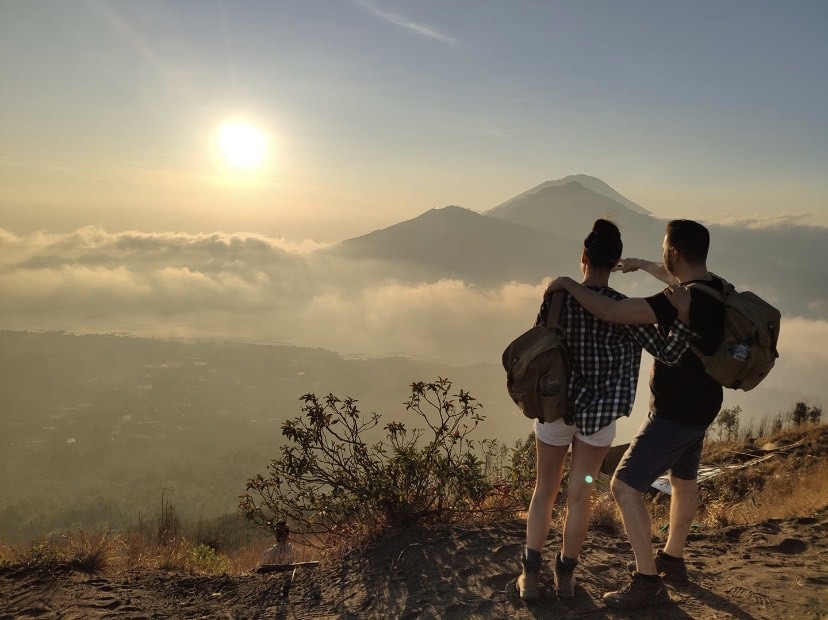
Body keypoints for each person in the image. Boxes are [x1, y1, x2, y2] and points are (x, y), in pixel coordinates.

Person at [547, 219, 725, 611]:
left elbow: (611, 310)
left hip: (673, 413)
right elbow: (678, 283)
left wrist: (568, 284)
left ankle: (648, 580)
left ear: (674, 252)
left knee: (624, 488)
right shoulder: (714, 288)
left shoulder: (672, 301)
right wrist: (646, 266)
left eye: (664, 249)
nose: (663, 254)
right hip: (705, 404)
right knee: (683, 478)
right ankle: (673, 559)